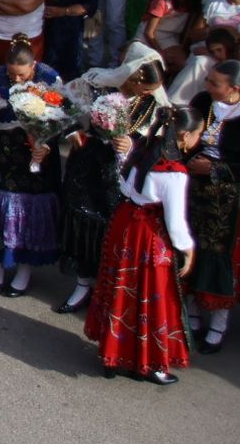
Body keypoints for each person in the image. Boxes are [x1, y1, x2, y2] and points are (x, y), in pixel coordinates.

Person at [86, 107, 198, 385]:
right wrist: (187, 248)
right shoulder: (173, 171)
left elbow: (123, 183)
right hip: (148, 234)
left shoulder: (142, 149)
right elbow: (175, 221)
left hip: (124, 224)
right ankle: (149, 364)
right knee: (151, 295)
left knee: (120, 288)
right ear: (184, 136)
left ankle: (111, 356)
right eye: (197, 134)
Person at [58, 46, 170, 315]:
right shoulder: (97, 85)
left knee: (111, 229)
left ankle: (108, 289)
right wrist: (73, 133)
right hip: (87, 165)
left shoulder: (154, 105)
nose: (147, 92)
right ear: (129, 76)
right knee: (84, 225)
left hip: (121, 175)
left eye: (152, 88)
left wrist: (132, 144)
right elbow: (64, 107)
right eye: (143, 85)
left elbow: (160, 143)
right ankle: (82, 284)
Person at [185, 60, 240, 353]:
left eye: (215, 83)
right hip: (193, 191)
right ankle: (194, 316)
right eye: (208, 80)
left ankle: (218, 324)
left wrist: (217, 170)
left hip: (229, 200)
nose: (207, 87)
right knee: (190, 249)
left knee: (219, 256)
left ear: (235, 88)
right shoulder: (201, 102)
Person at [0, 37, 63, 298]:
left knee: (30, 213)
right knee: (0, 213)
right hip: (5, 153)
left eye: (22, 75)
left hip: (37, 153)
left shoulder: (50, 79)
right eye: (12, 74)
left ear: (33, 66)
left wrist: (46, 145)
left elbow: (63, 118)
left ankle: (25, 269)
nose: (16, 80)